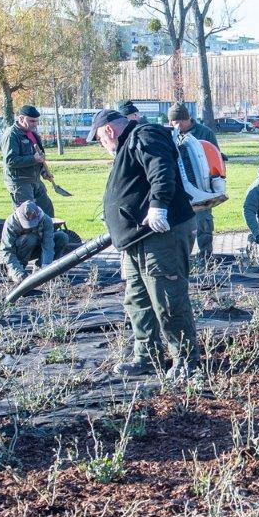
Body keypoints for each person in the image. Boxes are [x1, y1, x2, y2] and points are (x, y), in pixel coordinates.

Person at [89, 109, 198, 378]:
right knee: (138, 300)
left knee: (167, 297)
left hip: (160, 235)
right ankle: (147, 356)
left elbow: (161, 168)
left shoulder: (145, 135)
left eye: (101, 140)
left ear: (109, 131)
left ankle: (185, 360)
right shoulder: (129, 144)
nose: (103, 146)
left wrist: (159, 205)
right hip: (138, 239)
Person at [168, 102, 221, 263]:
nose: (176, 125)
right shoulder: (168, 134)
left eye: (178, 122)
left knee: (203, 223)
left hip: (201, 185)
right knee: (177, 225)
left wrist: (215, 185)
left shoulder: (205, 133)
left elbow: (215, 157)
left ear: (187, 119)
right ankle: (179, 258)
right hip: (178, 187)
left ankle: (206, 257)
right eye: (172, 122)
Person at [0, 200, 71, 285]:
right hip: (19, 252)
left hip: (36, 248)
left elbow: (48, 245)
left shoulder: (45, 219)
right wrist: (17, 272)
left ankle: (39, 269)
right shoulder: (11, 223)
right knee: (30, 238)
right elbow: (6, 251)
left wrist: (46, 268)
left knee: (62, 237)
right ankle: (19, 270)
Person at [1, 105, 55, 216]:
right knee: (28, 215)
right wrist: (33, 159)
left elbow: (39, 158)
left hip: (35, 180)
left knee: (47, 211)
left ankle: (49, 233)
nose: (35, 124)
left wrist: (43, 172)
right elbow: (10, 160)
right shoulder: (12, 135)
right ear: (21, 119)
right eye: (31, 121)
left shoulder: (33, 134)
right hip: (20, 183)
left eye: (36, 121)